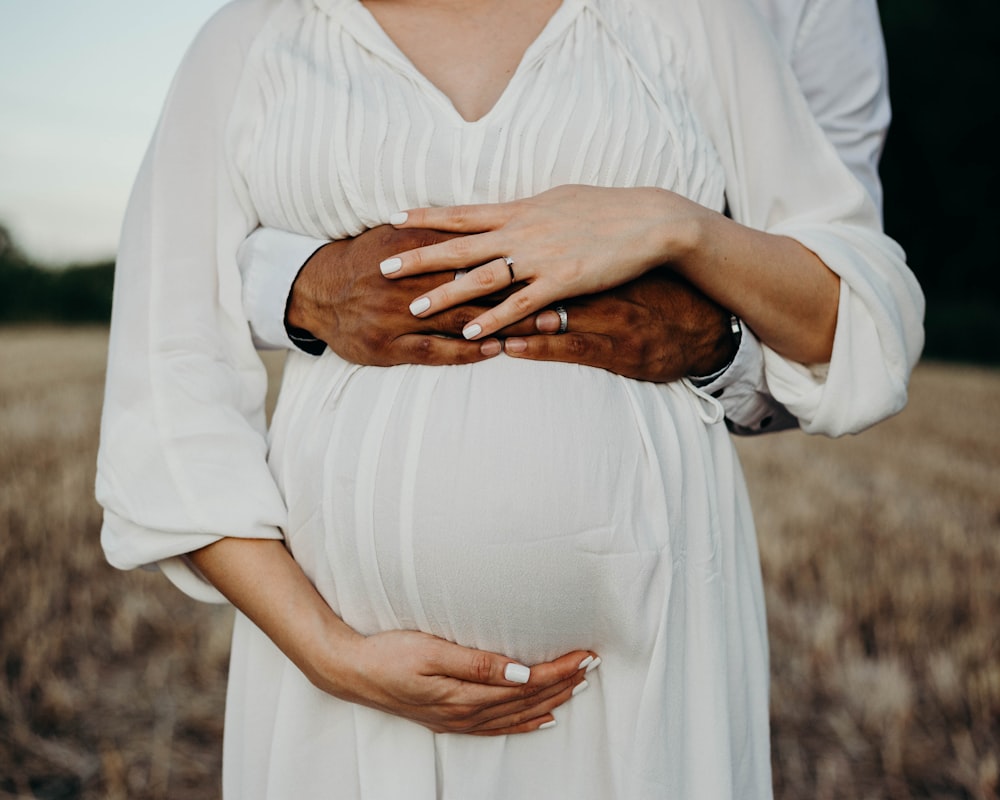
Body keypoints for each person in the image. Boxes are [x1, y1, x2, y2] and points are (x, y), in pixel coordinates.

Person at [96, 0, 923, 798]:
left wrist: (678, 226)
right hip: (343, 696)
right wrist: (325, 653)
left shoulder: (694, 18)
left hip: (644, 669)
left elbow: (858, 318)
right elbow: (167, 382)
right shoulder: (249, 40)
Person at [236, 0, 892, 436]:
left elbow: (846, 314)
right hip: (331, 591)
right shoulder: (273, 32)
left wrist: (708, 320)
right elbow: (182, 290)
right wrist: (301, 283)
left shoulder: (760, 14)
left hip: (653, 546)